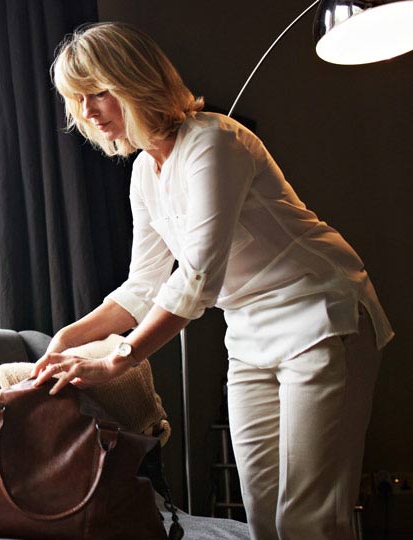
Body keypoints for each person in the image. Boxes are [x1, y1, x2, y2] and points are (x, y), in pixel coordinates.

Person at [30, 22, 394, 540]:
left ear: (136, 82)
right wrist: (67, 340)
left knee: (308, 518)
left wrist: (119, 358)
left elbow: (197, 277)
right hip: (247, 335)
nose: (87, 111)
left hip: (320, 315)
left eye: (98, 92)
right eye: (77, 98)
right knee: (262, 515)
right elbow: (143, 286)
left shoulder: (214, 141)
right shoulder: (144, 173)